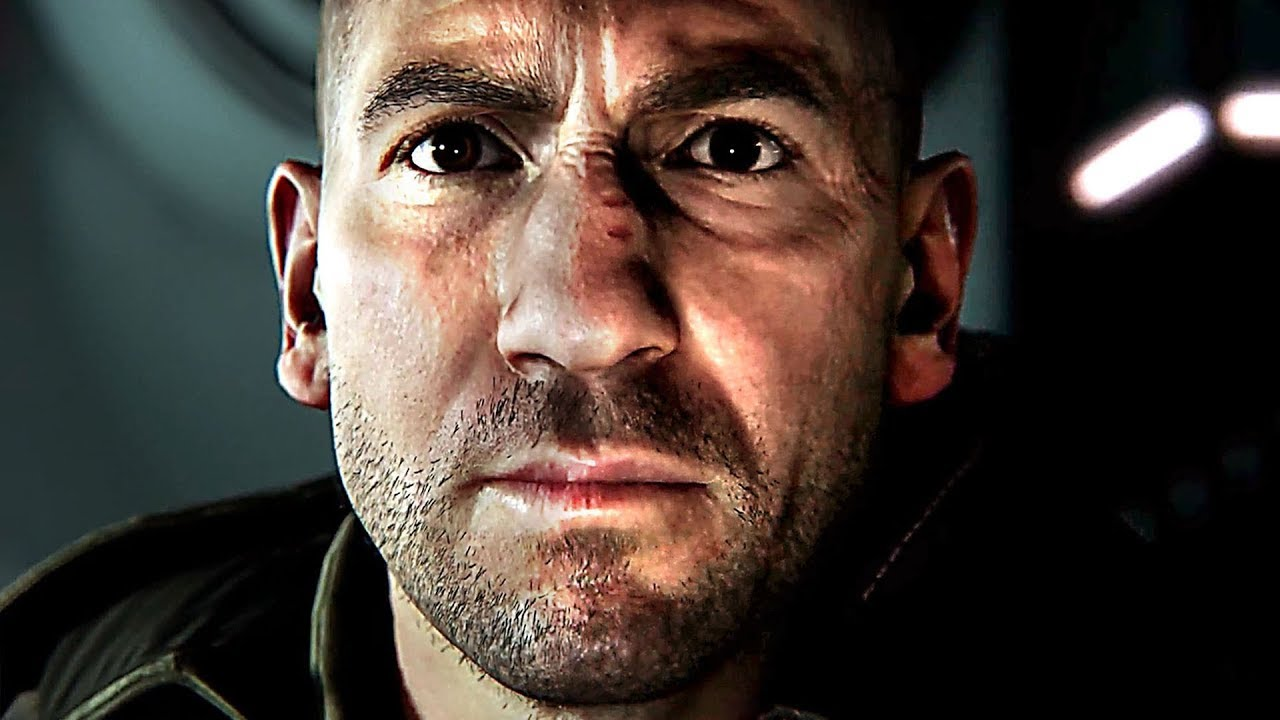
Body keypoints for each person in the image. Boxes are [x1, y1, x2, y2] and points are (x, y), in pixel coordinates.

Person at [0, 1, 1197, 718]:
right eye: (455, 150)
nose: (582, 319)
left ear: (921, 285)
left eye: (730, 151)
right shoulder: (78, 689)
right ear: (308, 293)